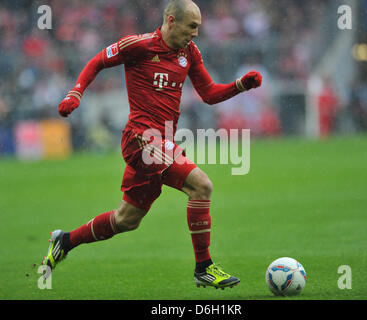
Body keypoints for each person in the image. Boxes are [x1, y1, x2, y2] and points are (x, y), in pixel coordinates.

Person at [42, 0, 262, 290]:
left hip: (163, 142)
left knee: (126, 220)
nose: (196, 33)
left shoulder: (189, 52)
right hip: (140, 139)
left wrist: (239, 86)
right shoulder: (140, 45)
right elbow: (97, 61)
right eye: (191, 26)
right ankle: (204, 268)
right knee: (201, 185)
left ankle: (65, 240)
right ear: (172, 21)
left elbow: (207, 93)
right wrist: (75, 92)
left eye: (198, 27)